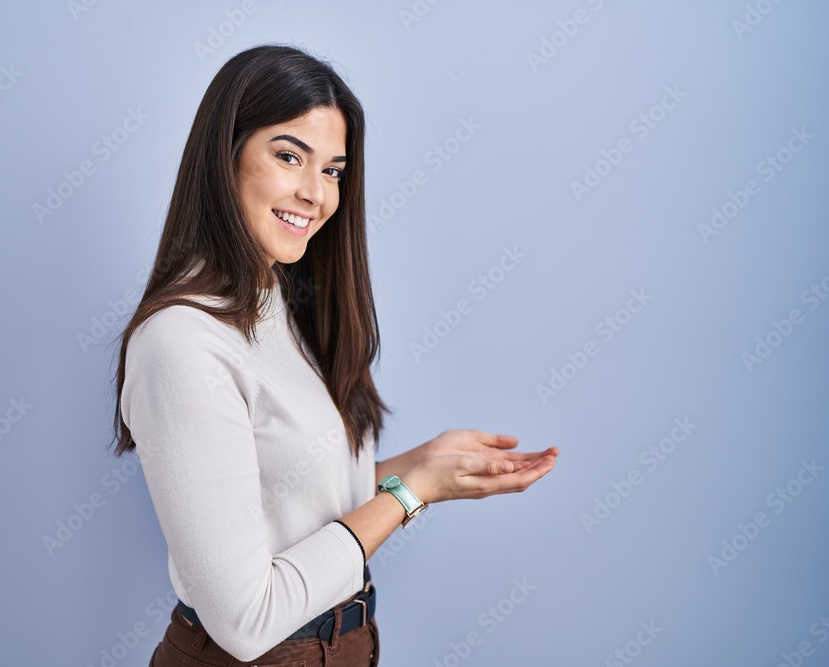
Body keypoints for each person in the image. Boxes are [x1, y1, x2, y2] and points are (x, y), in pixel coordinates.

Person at [108, 43, 560, 666]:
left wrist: (422, 466)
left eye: (333, 171)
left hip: (346, 643)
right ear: (224, 157)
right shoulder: (182, 342)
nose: (315, 194)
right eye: (289, 156)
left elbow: (294, 502)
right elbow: (246, 621)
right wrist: (412, 493)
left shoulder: (283, 306)